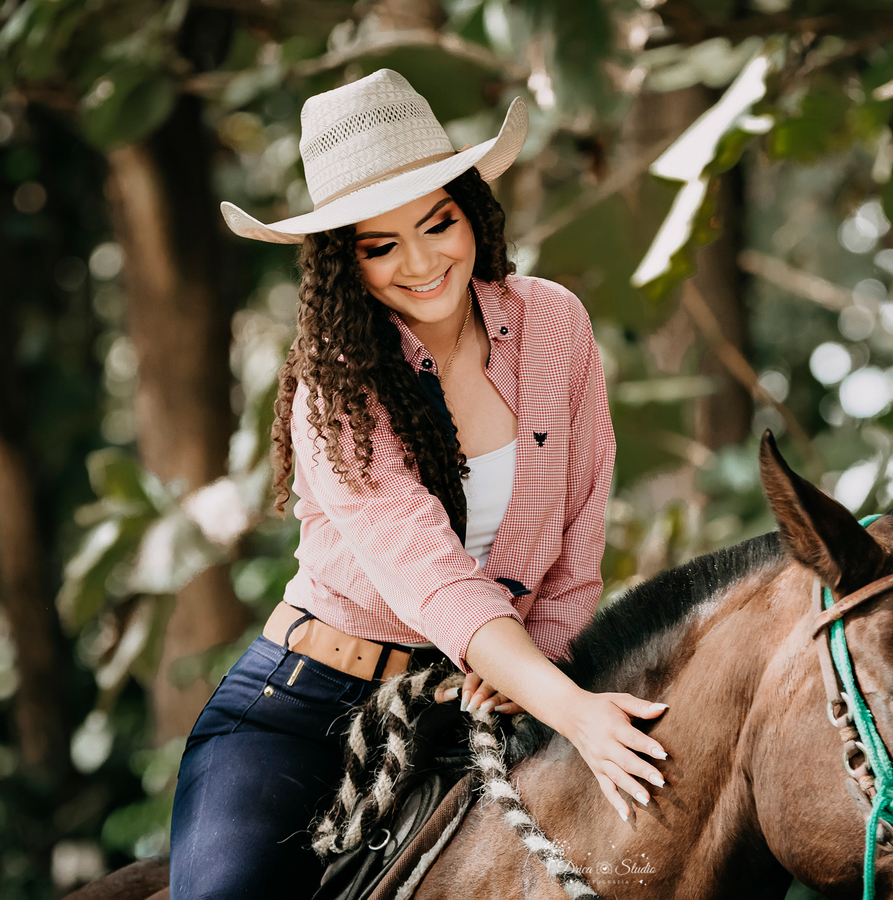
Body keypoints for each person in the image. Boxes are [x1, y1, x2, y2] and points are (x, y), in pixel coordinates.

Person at [168, 69, 670, 899]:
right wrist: (570, 708)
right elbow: (429, 572)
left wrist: (534, 664)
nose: (422, 261)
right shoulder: (335, 384)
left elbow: (581, 539)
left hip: (485, 700)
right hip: (304, 705)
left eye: (437, 223)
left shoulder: (555, 326)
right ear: (343, 262)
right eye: (380, 244)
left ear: (471, 209)